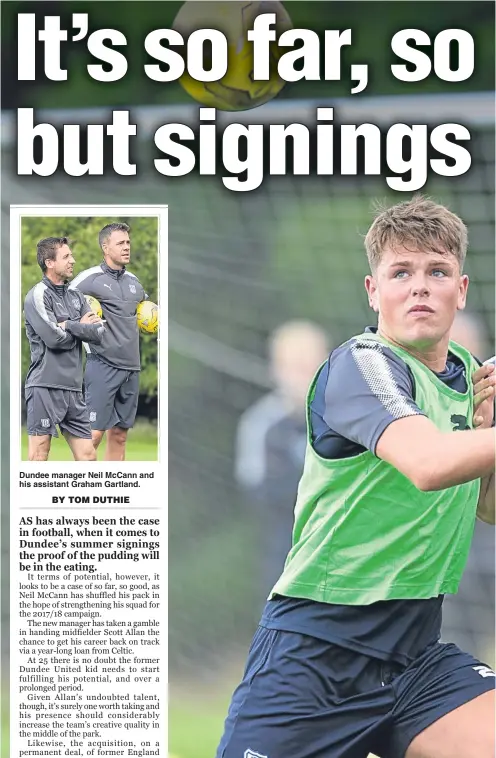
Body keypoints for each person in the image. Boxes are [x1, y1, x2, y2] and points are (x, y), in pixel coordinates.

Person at [217, 196, 495, 758]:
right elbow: (428, 465)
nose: (420, 287)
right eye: (401, 272)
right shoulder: (359, 365)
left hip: (416, 652)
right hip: (316, 654)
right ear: (374, 292)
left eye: (437, 271)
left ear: (460, 290)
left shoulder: (470, 375)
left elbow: (488, 509)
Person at [234, 320, 330, 598]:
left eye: (310, 363)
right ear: (275, 369)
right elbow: (258, 492)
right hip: (289, 561)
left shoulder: (354, 418)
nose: (303, 375)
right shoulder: (261, 424)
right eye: (294, 366)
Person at [69, 222, 147, 461]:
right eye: (120, 243)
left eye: (128, 242)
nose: (127, 247)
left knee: (120, 436)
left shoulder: (134, 282)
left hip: (131, 367)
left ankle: (111, 490)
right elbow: (60, 301)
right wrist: (80, 320)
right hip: (102, 364)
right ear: (105, 247)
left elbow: (147, 313)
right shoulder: (90, 278)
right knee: (92, 436)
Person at [24, 237, 105, 461]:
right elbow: (54, 339)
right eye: (66, 256)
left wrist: (68, 325)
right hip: (44, 386)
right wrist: (81, 328)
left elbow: (98, 334)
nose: (73, 260)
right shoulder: (37, 295)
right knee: (39, 454)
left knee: (88, 457)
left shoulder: (77, 297)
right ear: (50, 262)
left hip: (73, 390)